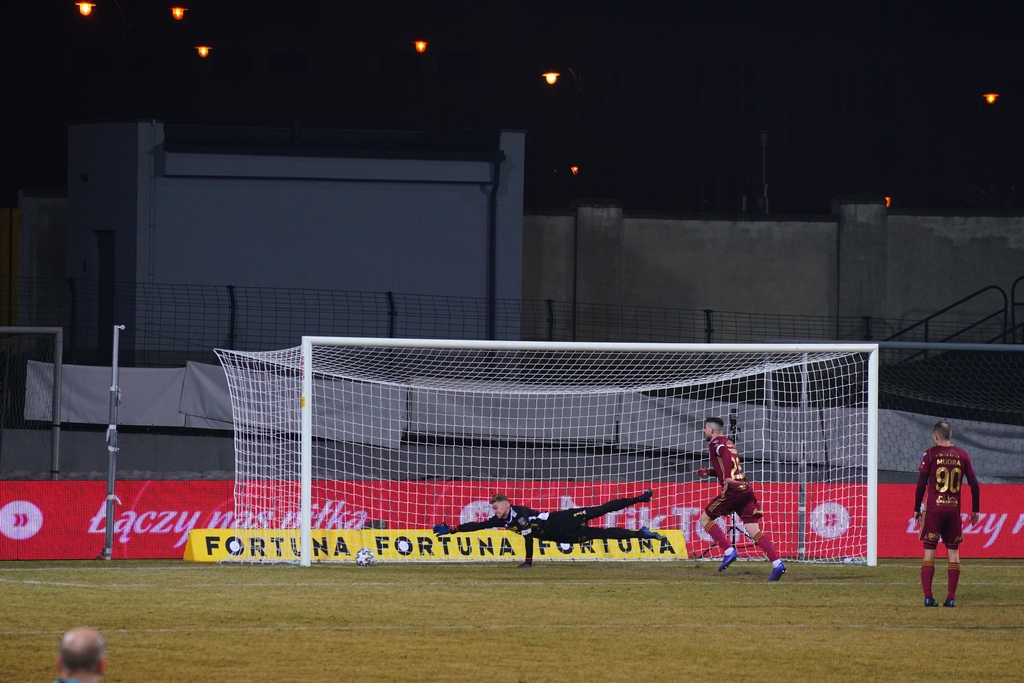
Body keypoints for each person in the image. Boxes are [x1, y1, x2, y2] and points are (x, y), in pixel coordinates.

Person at [433, 490, 664, 567]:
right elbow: (477, 525)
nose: (493, 511)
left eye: (495, 507)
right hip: (559, 535)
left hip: (562, 521)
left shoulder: (519, 515)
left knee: (600, 510)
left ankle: (639, 499)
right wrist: (453, 530)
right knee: (601, 534)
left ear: (505, 505)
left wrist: (528, 561)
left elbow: (528, 538)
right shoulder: (502, 520)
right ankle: (640, 533)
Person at [696, 417, 786, 581]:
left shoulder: (715, 444)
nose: (704, 431)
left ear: (712, 430)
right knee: (754, 531)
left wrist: (728, 478)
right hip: (745, 488)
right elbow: (727, 465)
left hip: (733, 490)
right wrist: (709, 472)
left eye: (705, 428)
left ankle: (729, 551)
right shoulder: (729, 442)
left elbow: (726, 461)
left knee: (705, 518)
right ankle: (777, 563)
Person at [915, 420, 980, 608]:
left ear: (935, 437)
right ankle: (951, 598)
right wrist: (975, 509)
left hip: (933, 510)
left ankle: (928, 597)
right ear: (950, 435)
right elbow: (975, 485)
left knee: (929, 552)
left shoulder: (930, 454)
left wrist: (917, 508)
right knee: (954, 553)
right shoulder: (963, 455)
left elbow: (921, 484)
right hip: (953, 511)